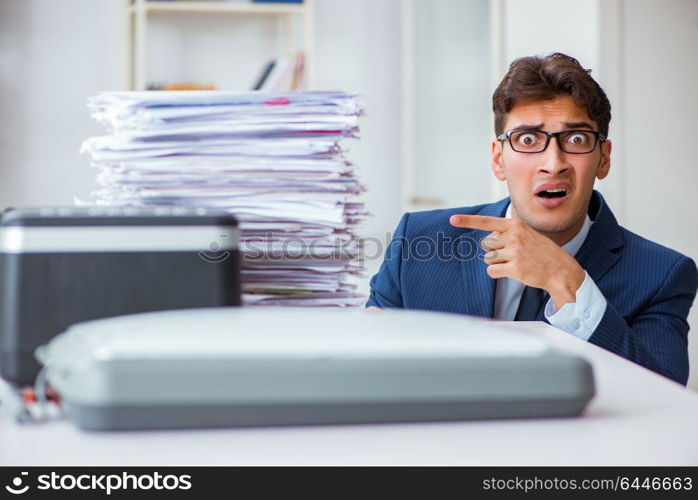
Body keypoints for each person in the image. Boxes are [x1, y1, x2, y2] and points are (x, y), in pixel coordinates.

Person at [366, 52, 697, 385]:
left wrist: (568, 284)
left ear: (604, 159)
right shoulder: (418, 241)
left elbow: (663, 396)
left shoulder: (662, 275)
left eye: (577, 139)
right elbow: (370, 373)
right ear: (498, 159)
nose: (553, 164)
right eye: (528, 140)